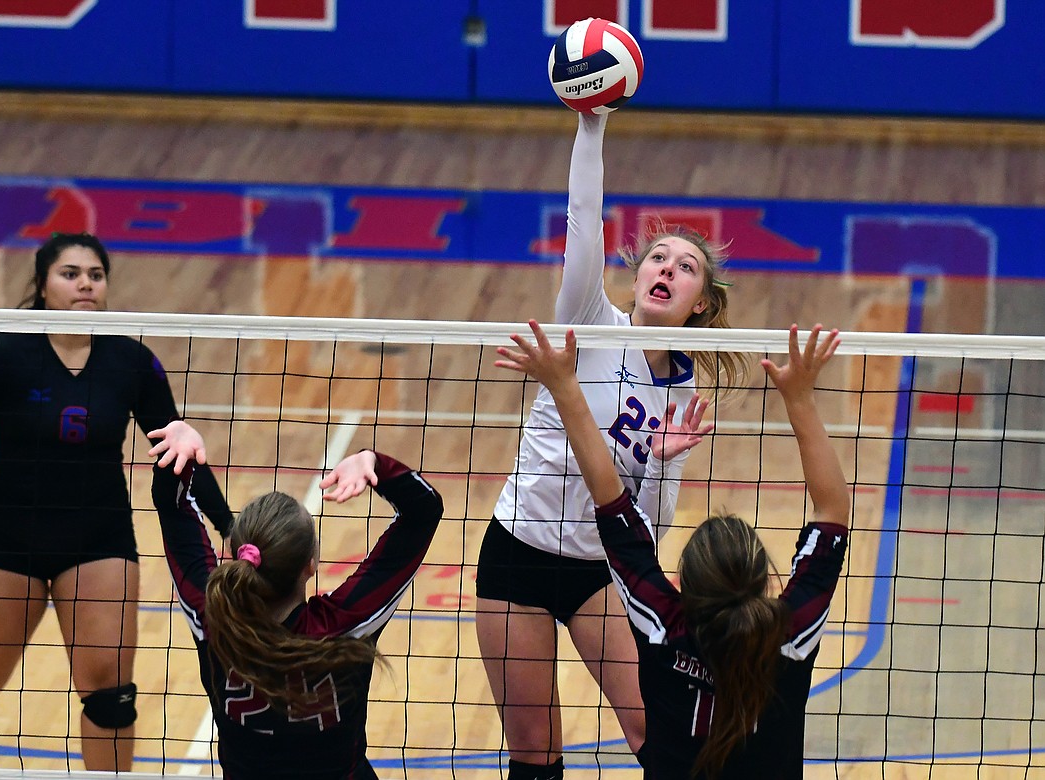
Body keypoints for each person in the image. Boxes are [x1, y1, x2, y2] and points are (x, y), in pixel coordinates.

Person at [475, 112, 749, 778]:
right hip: (517, 555)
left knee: (653, 732)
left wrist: (659, 464)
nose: (666, 268)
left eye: (685, 267)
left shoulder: (682, 397)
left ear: (700, 305)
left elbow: (647, 531)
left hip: (601, 577)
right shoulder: (590, 321)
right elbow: (582, 220)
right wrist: (590, 126)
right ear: (636, 276)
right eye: (658, 257)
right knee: (535, 752)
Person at [0, 233, 234, 770]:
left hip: (98, 538)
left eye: (95, 275)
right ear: (43, 284)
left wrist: (229, 526)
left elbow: (178, 454)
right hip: (4, 540)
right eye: (71, 273)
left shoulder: (130, 362)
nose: (85, 283)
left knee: (112, 697)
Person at [496, 320, 850, 779]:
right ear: (765, 581)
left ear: (684, 583)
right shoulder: (790, 639)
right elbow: (834, 508)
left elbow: (609, 501)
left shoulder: (662, 624)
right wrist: (800, 398)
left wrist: (565, 386)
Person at [146, 422, 445, 780]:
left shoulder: (215, 619)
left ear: (237, 554)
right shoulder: (343, 624)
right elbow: (423, 512)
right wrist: (374, 464)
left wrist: (178, 456)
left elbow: (173, 508)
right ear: (311, 566)